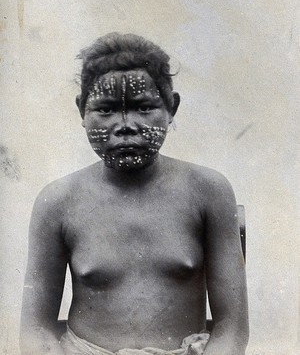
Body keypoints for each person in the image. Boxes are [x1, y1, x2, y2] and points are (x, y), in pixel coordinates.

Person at [20, 33, 249, 355]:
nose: (125, 125)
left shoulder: (207, 190)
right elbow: (36, 331)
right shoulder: (58, 201)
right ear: (81, 112)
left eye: (144, 107)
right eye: (106, 109)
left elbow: (232, 330)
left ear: (172, 108)